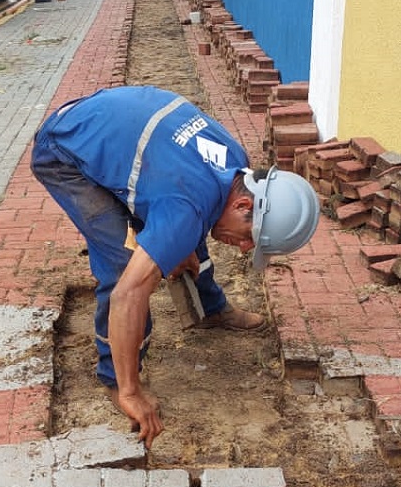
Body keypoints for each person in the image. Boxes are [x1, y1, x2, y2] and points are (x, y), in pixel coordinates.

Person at [31, 86, 320, 446]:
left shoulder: (234, 162)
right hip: (64, 150)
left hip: (111, 126)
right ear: (246, 204)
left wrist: (174, 240)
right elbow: (128, 295)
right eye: (251, 238)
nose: (245, 249)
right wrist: (133, 391)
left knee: (191, 224)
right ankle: (117, 379)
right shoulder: (186, 207)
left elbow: (183, 197)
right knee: (125, 266)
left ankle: (210, 309)